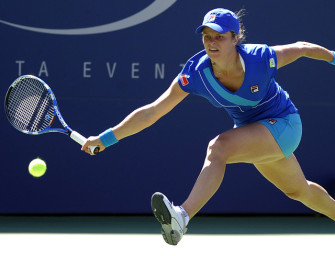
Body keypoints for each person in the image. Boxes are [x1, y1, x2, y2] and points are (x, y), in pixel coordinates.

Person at [82, 8, 335, 245]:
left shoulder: (261, 58)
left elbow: (303, 48)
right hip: (254, 133)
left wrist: (333, 58)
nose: (212, 42)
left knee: (219, 147)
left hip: (284, 124)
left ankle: (182, 216)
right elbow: (152, 112)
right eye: (207, 36)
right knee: (299, 191)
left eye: (220, 37)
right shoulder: (195, 74)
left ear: (236, 38)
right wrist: (105, 139)